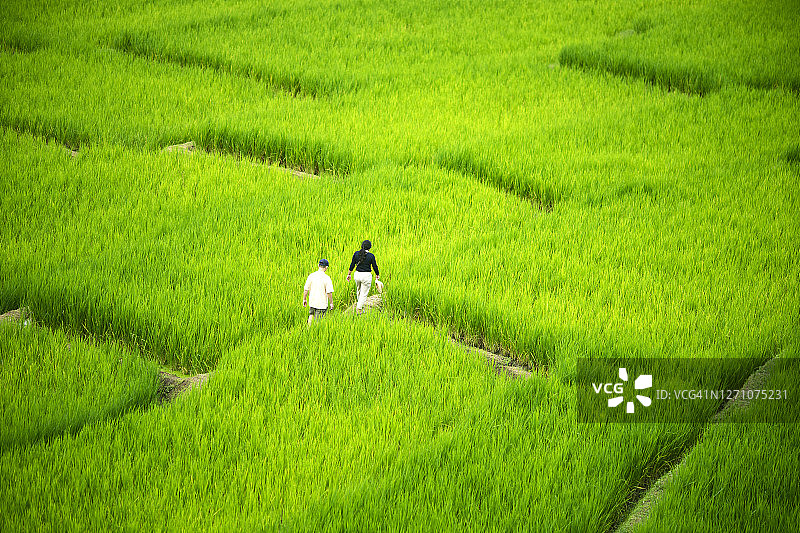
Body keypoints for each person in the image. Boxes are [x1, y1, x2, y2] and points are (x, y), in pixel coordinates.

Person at [346, 240, 380, 315]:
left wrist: (349, 274)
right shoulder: (371, 256)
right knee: (364, 294)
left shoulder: (356, 254)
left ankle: (359, 305)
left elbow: (352, 265)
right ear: (369, 247)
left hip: (357, 275)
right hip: (366, 276)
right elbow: (374, 266)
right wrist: (377, 274)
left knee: (359, 291)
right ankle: (359, 309)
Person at [303, 259, 334, 325]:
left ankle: (308, 330)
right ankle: (315, 332)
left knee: (311, 315)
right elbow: (329, 292)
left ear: (318, 266)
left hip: (312, 302)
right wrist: (331, 303)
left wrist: (304, 299)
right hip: (321, 304)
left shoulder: (311, 275)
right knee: (318, 321)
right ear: (326, 267)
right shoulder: (327, 278)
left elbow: (306, 289)